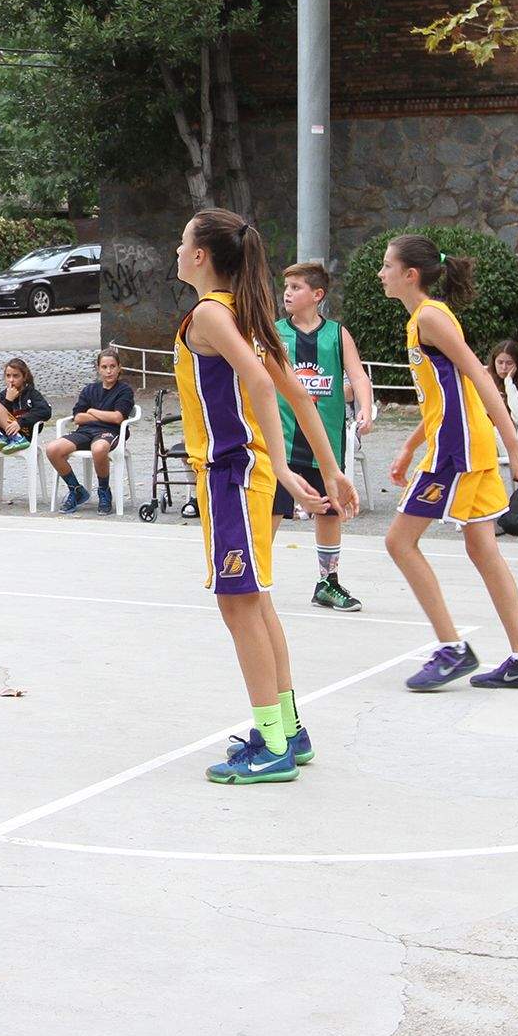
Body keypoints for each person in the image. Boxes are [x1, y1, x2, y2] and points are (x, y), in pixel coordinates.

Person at [174, 210, 358, 786]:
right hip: (242, 472)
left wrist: (282, 463)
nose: (177, 250)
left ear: (201, 255)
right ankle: (287, 730)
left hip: (233, 472)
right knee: (257, 602)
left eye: (183, 242)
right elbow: (300, 397)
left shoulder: (210, 313)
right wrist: (330, 471)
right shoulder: (245, 314)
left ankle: (271, 747)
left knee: (238, 606)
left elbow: (259, 382)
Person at [378, 235, 518, 690]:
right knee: (482, 549)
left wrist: (513, 443)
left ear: (409, 275)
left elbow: (478, 374)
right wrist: (411, 443)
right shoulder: (423, 319)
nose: (381, 273)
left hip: (457, 450)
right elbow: (445, 393)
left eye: (386, 265)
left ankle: (451, 649)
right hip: (460, 443)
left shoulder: (430, 317)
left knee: (399, 542)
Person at [274, 261, 377, 611]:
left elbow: (359, 376)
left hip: (327, 442)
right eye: (286, 286)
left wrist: (365, 407)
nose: (288, 292)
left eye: (296, 287)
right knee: (271, 511)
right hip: (283, 442)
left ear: (317, 295)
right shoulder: (274, 334)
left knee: (330, 512)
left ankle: (327, 582)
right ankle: (253, 578)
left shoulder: (336, 334)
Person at [44, 349, 137, 516]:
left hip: (110, 432)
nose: (109, 371)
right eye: (104, 367)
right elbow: (78, 418)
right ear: (98, 369)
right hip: (85, 432)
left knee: (99, 449)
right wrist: (102, 415)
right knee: (52, 449)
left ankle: (103, 490)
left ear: (119, 368)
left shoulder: (124, 390)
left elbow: (117, 418)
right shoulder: (89, 390)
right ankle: (76, 489)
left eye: (112, 366)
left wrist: (92, 411)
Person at [0, 358, 51, 452]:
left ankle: (17, 438)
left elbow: (45, 411)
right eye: (8, 376)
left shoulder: (32, 394)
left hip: (23, 435)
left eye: (16, 376)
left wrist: (20, 422)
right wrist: (8, 400)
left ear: (24, 377)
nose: (11, 380)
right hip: (0, 440)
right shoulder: (2, 395)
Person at [491, 338, 518, 446]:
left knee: (498, 432)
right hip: (487, 435)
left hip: (508, 441)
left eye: (509, 363)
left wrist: (509, 383)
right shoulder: (486, 382)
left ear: (517, 365)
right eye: (500, 362)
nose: (504, 367)